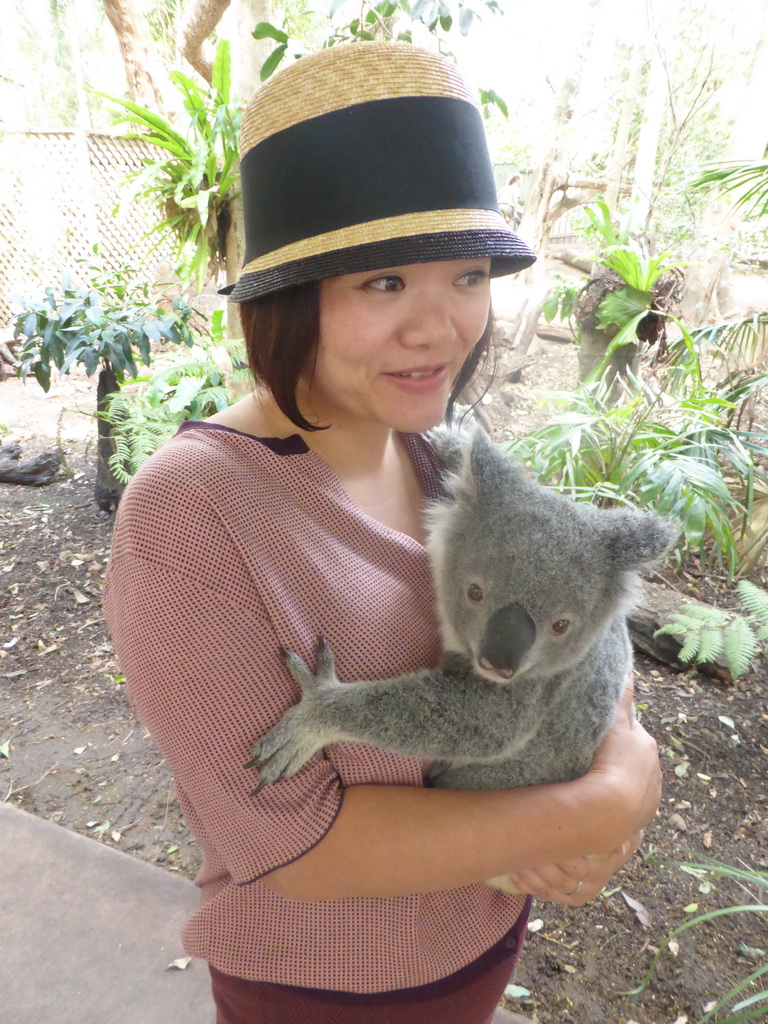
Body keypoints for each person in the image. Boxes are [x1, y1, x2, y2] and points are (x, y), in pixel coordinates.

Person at [103, 42, 661, 1024]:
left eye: (464, 275)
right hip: (324, 991)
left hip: (480, 946)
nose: (442, 328)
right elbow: (300, 842)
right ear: (284, 298)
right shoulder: (191, 518)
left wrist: (628, 755)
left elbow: (585, 622)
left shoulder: (452, 460)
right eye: (384, 284)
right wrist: (597, 807)